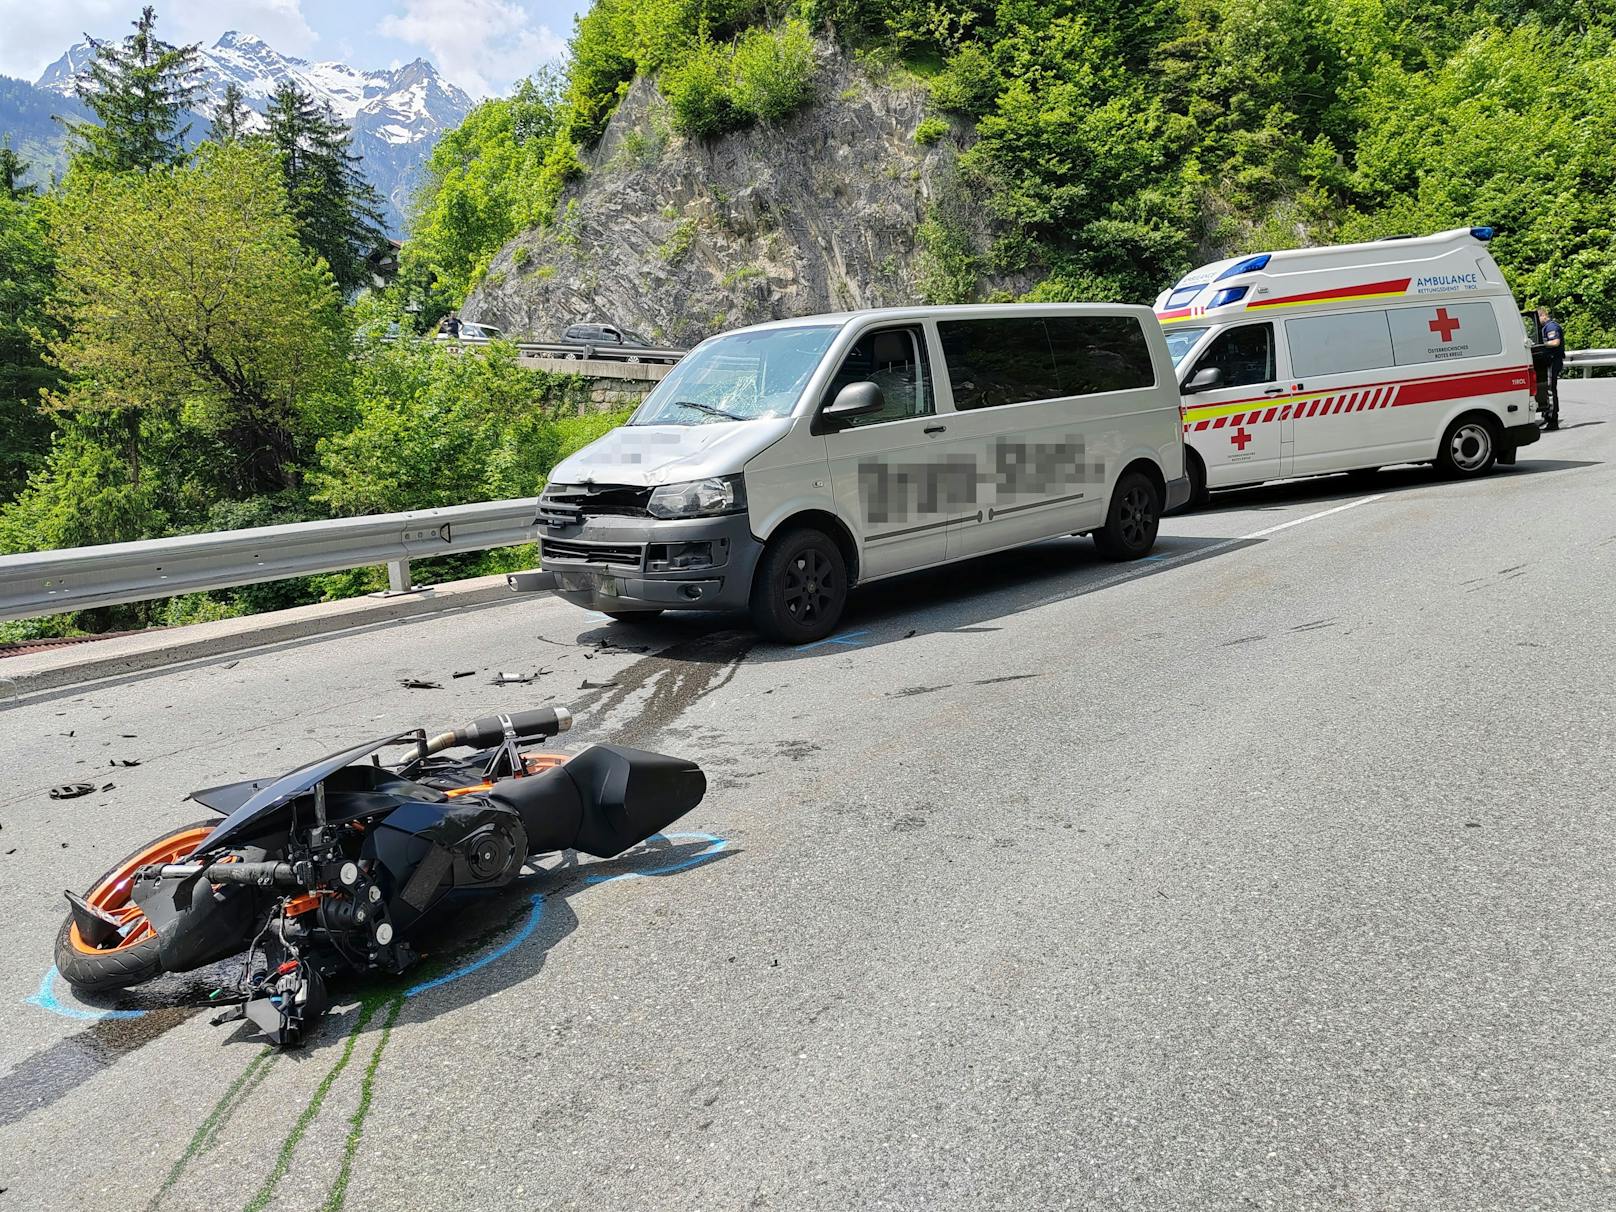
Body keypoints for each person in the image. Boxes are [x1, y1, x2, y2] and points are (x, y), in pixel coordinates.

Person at [1536, 306, 1565, 431]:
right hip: (1550, 362)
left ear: (1543, 315)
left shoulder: (1551, 327)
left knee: (1550, 389)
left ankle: (1553, 420)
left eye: (1538, 318)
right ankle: (1548, 416)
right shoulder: (1545, 328)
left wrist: (1541, 345)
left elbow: (1555, 342)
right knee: (1547, 389)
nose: (1538, 322)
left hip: (1553, 362)